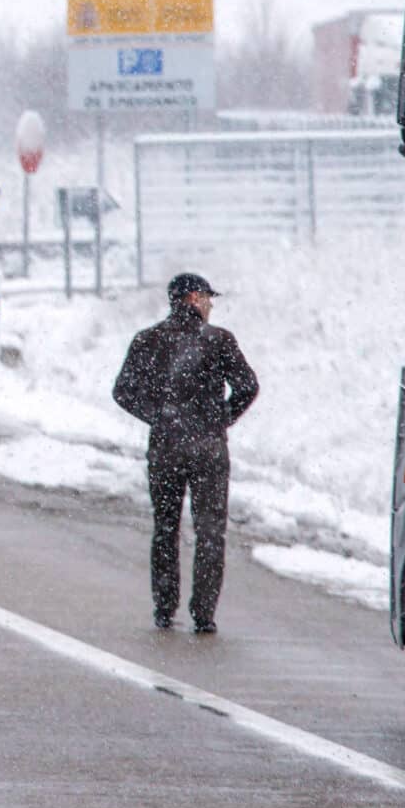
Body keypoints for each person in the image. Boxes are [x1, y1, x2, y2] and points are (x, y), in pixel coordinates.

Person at [112, 272, 259, 635]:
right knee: (210, 532)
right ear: (194, 298)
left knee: (166, 527)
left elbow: (123, 391)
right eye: (208, 298)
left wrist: (159, 416)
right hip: (209, 449)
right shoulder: (219, 340)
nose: (210, 305)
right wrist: (222, 419)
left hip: (166, 448)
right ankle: (204, 612)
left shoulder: (148, 340)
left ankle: (165, 607)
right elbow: (248, 386)